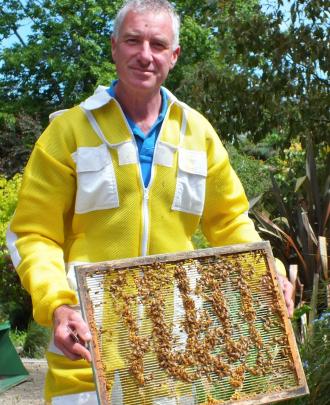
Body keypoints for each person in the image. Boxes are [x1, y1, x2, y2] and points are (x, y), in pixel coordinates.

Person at [6, 0, 294, 403]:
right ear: (114, 47)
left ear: (173, 56)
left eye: (157, 44)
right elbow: (33, 234)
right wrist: (57, 304)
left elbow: (230, 223)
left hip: (176, 351)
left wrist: (267, 274)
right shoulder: (68, 132)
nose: (145, 54)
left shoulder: (199, 133)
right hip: (86, 349)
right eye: (132, 40)